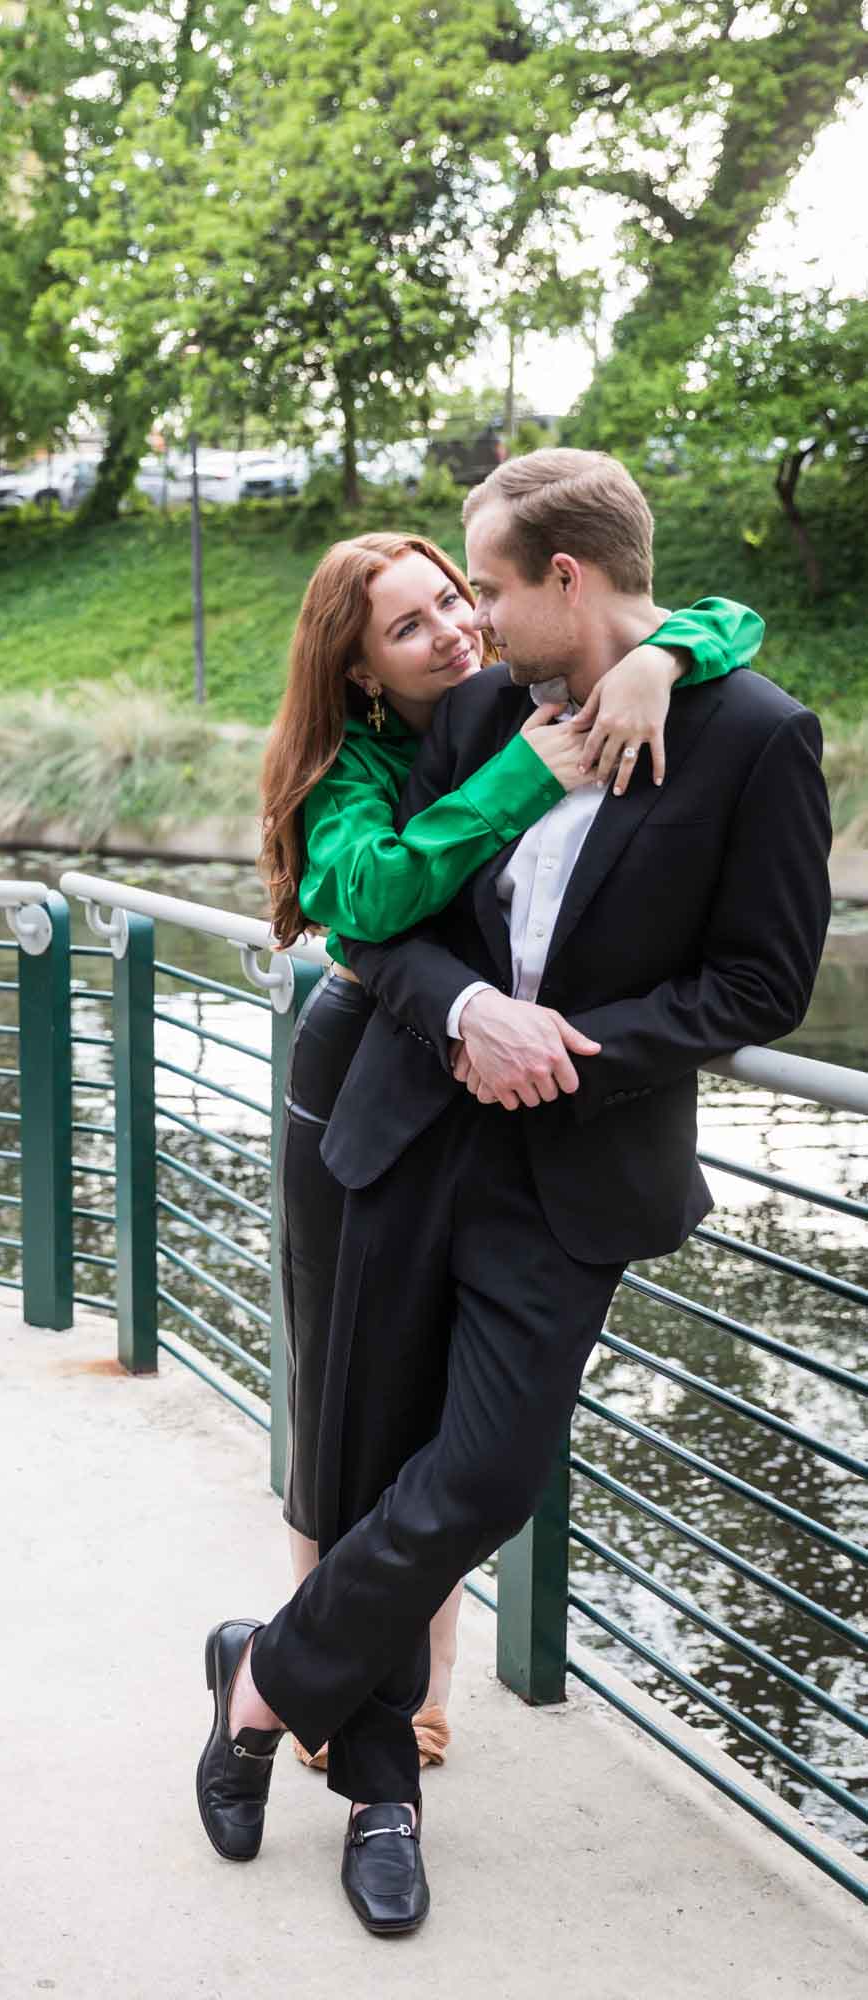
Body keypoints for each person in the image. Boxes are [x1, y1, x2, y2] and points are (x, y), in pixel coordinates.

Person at [200, 449, 832, 1937]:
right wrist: (465, 1017)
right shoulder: (482, 716)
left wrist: (567, 1055)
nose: (470, 625)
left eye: (483, 588)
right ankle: (379, 1801)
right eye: (446, 601)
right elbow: (391, 930)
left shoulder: (757, 736)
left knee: (483, 1474)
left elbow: (763, 981)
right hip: (407, 1136)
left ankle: (260, 1677)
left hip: (575, 1174)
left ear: (565, 581)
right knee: (364, 1463)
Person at [262, 535, 763, 1771]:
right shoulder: (361, 761)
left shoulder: (506, 698)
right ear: (362, 669)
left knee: (455, 1437)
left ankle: (383, 1686)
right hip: (361, 1074)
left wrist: (664, 658)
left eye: (455, 598)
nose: (455, 629)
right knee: (350, 1402)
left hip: (500, 1094)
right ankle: (341, 1679)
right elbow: (368, 908)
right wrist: (516, 784)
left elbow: (712, 607)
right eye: (413, 624)